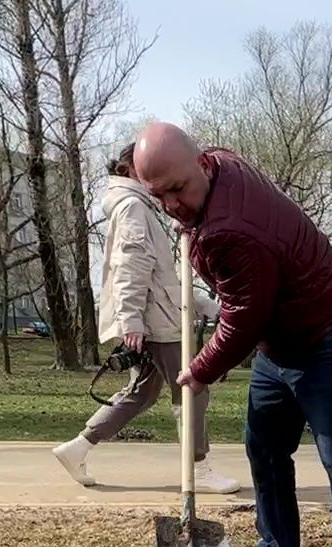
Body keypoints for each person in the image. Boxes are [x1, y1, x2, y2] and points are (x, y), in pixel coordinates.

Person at [133, 121, 332, 547]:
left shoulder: (230, 230)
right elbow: (251, 310)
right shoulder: (220, 163)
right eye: (159, 194)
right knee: (265, 448)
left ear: (199, 165)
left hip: (330, 334)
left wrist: (200, 369)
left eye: (178, 190)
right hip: (281, 343)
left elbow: (245, 314)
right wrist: (189, 223)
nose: (171, 204)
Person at [51, 145, 240, 493]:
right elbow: (130, 267)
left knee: (142, 392)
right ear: (129, 170)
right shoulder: (134, 207)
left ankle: (77, 448)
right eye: (147, 169)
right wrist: (132, 321)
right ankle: (199, 467)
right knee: (193, 388)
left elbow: (158, 276)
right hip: (157, 321)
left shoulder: (134, 206)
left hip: (154, 315)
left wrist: (202, 304)